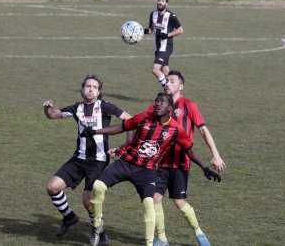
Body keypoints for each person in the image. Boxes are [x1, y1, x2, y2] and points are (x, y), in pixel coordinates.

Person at [82, 92, 221, 246]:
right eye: (156, 101)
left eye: (162, 102)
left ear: (169, 108)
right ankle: (97, 225)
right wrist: (95, 131)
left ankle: (151, 243)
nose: (157, 104)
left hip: (146, 171)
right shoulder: (143, 117)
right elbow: (122, 127)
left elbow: (189, 150)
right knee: (98, 186)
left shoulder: (176, 129)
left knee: (150, 203)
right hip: (126, 163)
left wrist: (205, 168)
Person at [43, 75, 132, 245]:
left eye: (94, 87)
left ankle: (101, 231)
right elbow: (53, 115)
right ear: (82, 89)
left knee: (88, 201)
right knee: (52, 187)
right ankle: (69, 217)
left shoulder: (106, 107)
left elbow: (130, 120)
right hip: (78, 158)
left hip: (98, 162)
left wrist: (126, 145)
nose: (91, 89)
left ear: (99, 92)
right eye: (88, 86)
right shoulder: (77, 108)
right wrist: (48, 109)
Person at [148, 70, 226, 246]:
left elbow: (203, 130)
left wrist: (215, 154)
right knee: (155, 198)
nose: (167, 83)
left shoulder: (189, 106)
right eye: (166, 80)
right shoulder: (159, 104)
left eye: (172, 81)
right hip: (159, 162)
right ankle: (162, 239)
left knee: (179, 201)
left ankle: (199, 233)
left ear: (180, 86)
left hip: (180, 161)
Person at [144, 0, 183, 87]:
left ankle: (169, 89)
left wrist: (168, 35)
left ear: (166, 3)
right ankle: (171, 95)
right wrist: (146, 31)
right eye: (159, 0)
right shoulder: (153, 14)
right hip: (157, 46)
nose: (160, 2)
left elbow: (180, 30)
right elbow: (151, 29)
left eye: (163, 1)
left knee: (155, 69)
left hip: (166, 46)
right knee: (165, 71)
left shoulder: (171, 16)